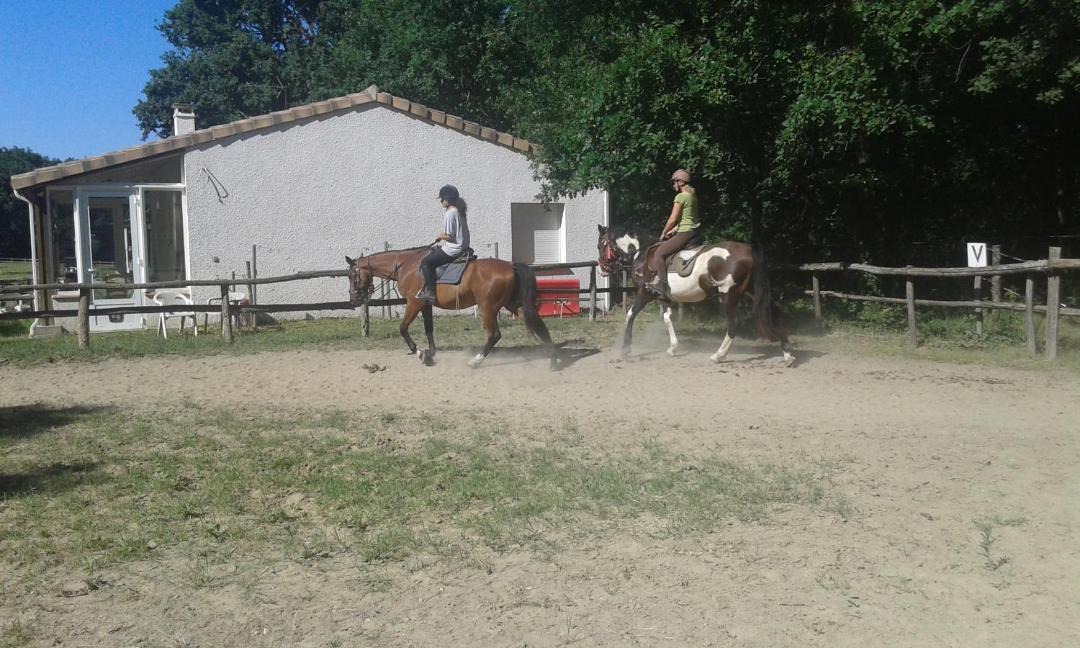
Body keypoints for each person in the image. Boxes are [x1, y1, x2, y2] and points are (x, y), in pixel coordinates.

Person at [648, 169, 701, 299]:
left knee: (659, 253)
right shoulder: (692, 196)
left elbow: (672, 219)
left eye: (674, 182)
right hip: (694, 232)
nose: (673, 185)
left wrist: (664, 232)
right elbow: (687, 219)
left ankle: (662, 285)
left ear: (680, 182)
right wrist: (673, 231)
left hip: (685, 233)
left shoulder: (681, 197)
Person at [417, 184, 470, 304]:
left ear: (447, 198)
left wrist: (440, 236)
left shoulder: (450, 213)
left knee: (426, 262)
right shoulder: (459, 211)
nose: (441, 201)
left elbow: (450, 237)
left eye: (442, 198)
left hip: (454, 249)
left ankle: (430, 293)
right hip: (462, 247)